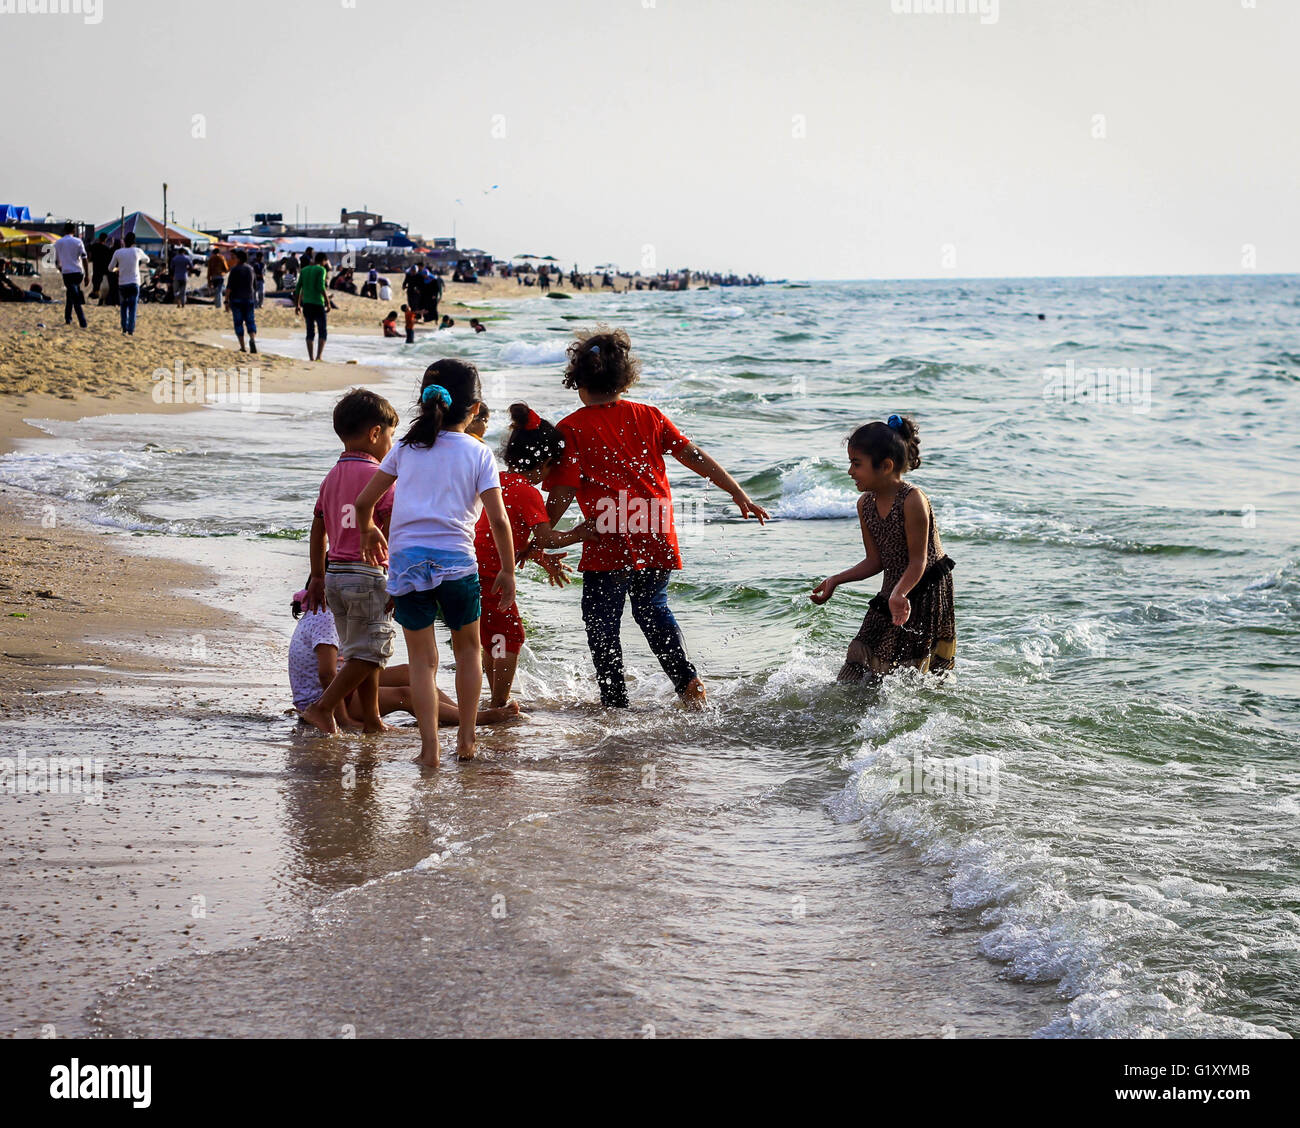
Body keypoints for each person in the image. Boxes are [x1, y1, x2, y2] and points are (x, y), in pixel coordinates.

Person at [545, 327, 769, 709]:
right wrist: (736, 491)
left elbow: (564, 491)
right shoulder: (649, 416)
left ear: (578, 381)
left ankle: (614, 701)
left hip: (608, 533)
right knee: (653, 608)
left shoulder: (572, 428)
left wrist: (541, 534)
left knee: (602, 621)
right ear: (625, 380)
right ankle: (688, 681)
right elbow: (693, 455)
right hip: (653, 528)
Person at [353, 360, 518, 767]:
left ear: (425, 402)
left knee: (423, 664)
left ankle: (429, 749)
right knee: (468, 652)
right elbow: (498, 519)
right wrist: (509, 570)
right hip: (456, 564)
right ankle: (466, 739)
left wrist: (368, 530)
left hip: (407, 564)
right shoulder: (478, 452)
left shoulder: (405, 448)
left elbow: (363, 502)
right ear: (475, 408)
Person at [811, 415, 956, 680]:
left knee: (910, 670)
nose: (850, 472)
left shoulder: (912, 500)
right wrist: (835, 580)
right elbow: (874, 561)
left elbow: (918, 562)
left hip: (925, 589)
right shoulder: (864, 504)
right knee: (859, 657)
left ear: (886, 466)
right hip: (894, 588)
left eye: (856, 464)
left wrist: (899, 594)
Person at [476, 403, 592, 708]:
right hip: (491, 574)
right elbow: (545, 536)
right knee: (510, 636)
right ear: (543, 466)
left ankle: (494, 698)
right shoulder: (527, 492)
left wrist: (539, 558)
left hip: (467, 568)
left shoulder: (496, 482)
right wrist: (578, 533)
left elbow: (502, 535)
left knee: (492, 636)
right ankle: (499, 704)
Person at [300, 389, 401, 735]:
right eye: (390, 435)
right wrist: (399, 574)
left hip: (335, 576)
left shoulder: (330, 477)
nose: (391, 444)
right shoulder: (382, 479)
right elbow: (392, 529)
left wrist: (316, 576)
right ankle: (323, 707)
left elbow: (318, 529)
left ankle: (372, 719)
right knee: (372, 650)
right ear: (375, 433)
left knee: (360, 650)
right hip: (367, 573)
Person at [289, 587, 519, 728]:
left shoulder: (324, 610)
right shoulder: (326, 618)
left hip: (335, 688)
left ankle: (462, 714)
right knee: (406, 696)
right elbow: (327, 674)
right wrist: (342, 720)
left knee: (409, 672)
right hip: (324, 699)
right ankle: (479, 719)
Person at [108, 232, 149, 336]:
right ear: (134, 242)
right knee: (133, 307)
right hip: (134, 282)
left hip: (122, 283)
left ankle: (124, 328)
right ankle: (131, 330)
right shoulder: (137, 251)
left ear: (124, 241)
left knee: (123, 307)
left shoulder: (118, 252)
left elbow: (110, 268)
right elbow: (147, 260)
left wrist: (117, 269)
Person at [52, 222, 89, 328]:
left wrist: (61, 269)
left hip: (67, 273)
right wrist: (87, 275)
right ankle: (79, 321)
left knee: (73, 294)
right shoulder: (78, 241)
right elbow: (84, 258)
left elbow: (56, 261)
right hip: (78, 272)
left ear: (64, 231)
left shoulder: (58, 243)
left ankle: (70, 318)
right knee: (73, 295)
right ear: (74, 231)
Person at [294, 252, 330, 361]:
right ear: (323, 260)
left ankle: (311, 357)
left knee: (310, 331)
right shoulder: (321, 270)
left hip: (307, 304)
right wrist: (328, 302)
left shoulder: (304, 270)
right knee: (322, 330)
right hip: (318, 303)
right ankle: (319, 356)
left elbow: (298, 288)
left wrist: (298, 305)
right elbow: (320, 286)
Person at [225, 249, 258, 353]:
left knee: (238, 323)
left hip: (236, 300)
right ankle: (252, 339)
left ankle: (243, 347)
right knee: (250, 321)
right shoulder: (251, 269)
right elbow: (254, 286)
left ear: (238, 258)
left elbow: (229, 287)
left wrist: (226, 301)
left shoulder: (234, 270)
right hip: (249, 299)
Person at [88, 233, 112, 304]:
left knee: (96, 284)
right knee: (103, 286)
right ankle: (100, 299)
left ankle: (96, 294)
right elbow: (109, 260)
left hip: (95, 268)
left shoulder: (93, 246)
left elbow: (90, 258)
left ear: (99, 238)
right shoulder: (107, 249)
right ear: (105, 239)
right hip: (104, 270)